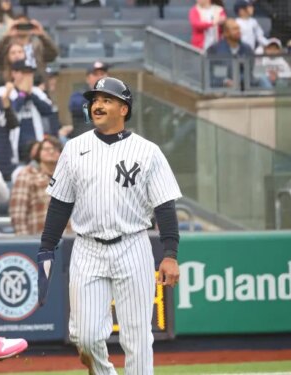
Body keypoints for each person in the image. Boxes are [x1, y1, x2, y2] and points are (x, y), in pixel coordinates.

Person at [36, 77, 182, 375]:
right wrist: (46, 247)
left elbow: (164, 206)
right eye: (95, 100)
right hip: (87, 247)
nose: (97, 105)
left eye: (106, 100)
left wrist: (170, 253)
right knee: (85, 337)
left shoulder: (148, 151)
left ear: (124, 109)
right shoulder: (74, 148)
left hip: (133, 244)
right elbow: (60, 203)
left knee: (137, 336)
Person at [0, 60, 55, 164]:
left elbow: (48, 110)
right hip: (13, 146)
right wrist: (22, 94)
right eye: (23, 72)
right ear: (14, 73)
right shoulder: (4, 91)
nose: (27, 76)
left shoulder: (36, 91)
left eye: (30, 73)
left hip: (36, 145)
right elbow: (10, 112)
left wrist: (31, 94)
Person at [9, 136, 66, 236]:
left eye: (55, 149)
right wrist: (25, 241)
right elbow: (18, 214)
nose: (51, 152)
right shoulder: (26, 175)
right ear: (38, 153)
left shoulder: (67, 176)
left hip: (66, 240)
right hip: (38, 239)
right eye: (46, 149)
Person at [0, 14, 59, 83]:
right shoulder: (7, 45)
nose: (22, 28)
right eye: (20, 26)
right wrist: (6, 35)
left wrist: (42, 35)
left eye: (25, 26)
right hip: (11, 84)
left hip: (36, 83)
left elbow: (53, 54)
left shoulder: (38, 44)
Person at [206, 19, 262, 89]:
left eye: (238, 28)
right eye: (234, 29)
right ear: (226, 33)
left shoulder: (247, 49)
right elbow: (212, 73)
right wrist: (225, 81)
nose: (238, 31)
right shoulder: (215, 50)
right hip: (221, 90)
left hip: (244, 88)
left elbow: (249, 71)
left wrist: (239, 80)